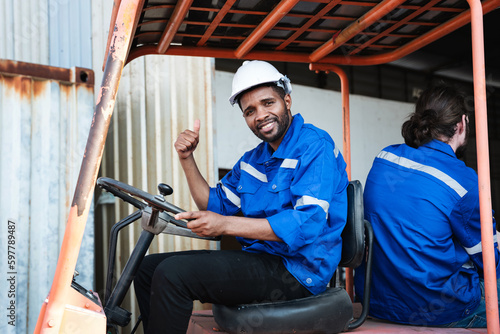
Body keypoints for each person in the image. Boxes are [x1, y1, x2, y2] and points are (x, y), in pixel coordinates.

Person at [134, 60, 349, 333]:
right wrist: (187, 158)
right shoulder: (252, 160)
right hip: (262, 260)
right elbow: (213, 204)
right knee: (147, 268)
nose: (260, 115)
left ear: (287, 100)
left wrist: (224, 225)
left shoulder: (314, 146)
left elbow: (306, 224)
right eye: (250, 111)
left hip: (298, 271)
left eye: (268, 103)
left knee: (173, 274)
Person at [354, 84, 500, 327]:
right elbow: (488, 260)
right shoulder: (463, 180)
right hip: (439, 308)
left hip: (376, 302)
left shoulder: (384, 158)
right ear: (462, 123)